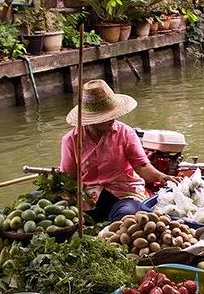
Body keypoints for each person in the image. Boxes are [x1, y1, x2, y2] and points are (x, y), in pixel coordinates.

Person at [59, 80, 181, 222]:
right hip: (88, 196)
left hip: (123, 191)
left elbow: (141, 165)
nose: (112, 119)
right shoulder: (71, 140)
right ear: (92, 119)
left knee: (127, 216)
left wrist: (160, 177)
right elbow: (68, 177)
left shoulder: (125, 132)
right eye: (106, 117)